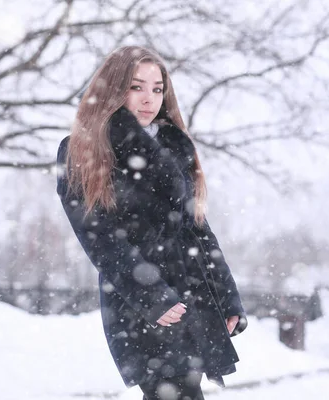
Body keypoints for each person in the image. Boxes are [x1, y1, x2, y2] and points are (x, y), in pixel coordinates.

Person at [56, 46, 247, 400]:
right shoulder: (82, 150)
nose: (149, 98)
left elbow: (196, 229)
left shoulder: (174, 146)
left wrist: (227, 296)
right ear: (113, 89)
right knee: (169, 391)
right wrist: (153, 296)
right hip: (139, 301)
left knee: (183, 390)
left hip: (192, 290)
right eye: (136, 87)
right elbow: (100, 239)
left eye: (157, 89)